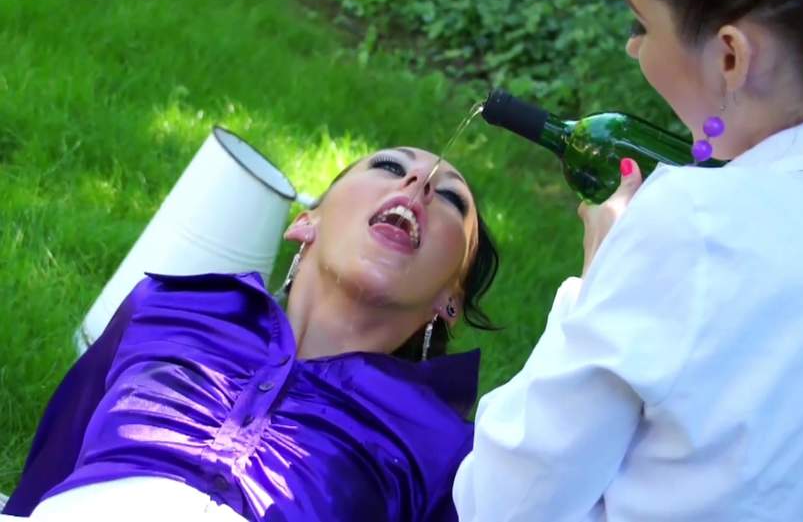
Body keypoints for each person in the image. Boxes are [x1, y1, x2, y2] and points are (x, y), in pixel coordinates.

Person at [453, 0, 803, 520]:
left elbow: (506, 504)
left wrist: (594, 282)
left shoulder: (694, 223)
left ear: (731, 56)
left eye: (642, 24)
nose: (633, 48)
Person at [1, 147, 499, 522]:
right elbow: (47, 474)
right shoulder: (168, 307)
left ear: (449, 301)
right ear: (306, 223)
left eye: (450, 198)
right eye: (389, 166)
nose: (418, 183)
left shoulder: (446, 450)